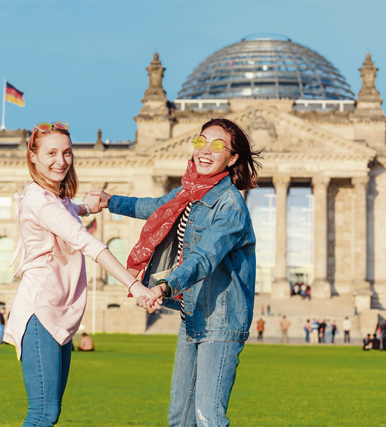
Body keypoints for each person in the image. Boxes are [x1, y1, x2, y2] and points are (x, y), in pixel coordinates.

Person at [86, 118, 261, 426]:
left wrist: (165, 286)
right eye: (201, 141)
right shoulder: (189, 192)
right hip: (192, 313)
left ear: (232, 158)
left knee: (208, 417)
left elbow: (204, 257)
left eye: (217, 146)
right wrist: (110, 201)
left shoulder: (230, 206)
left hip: (221, 320)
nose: (205, 150)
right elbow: (157, 207)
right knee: (180, 418)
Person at [3, 121, 161, 427]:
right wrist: (135, 286)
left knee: (50, 412)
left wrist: (86, 208)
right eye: (51, 153)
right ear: (33, 156)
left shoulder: (52, 198)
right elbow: (87, 243)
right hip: (40, 312)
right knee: (42, 413)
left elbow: (65, 211)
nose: (61, 160)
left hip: (60, 312)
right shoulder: (41, 201)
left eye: (66, 152)